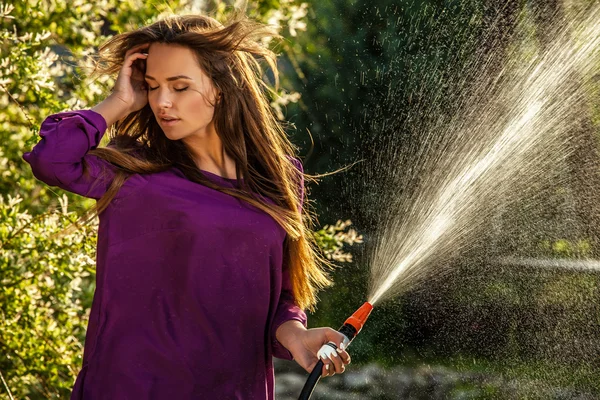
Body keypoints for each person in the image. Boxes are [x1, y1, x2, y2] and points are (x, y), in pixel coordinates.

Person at [23, 13, 350, 400]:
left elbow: (278, 293)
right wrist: (120, 100)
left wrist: (295, 335)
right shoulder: (133, 171)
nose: (162, 102)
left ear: (223, 87)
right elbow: (51, 159)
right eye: (153, 86)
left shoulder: (280, 177)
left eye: (179, 87)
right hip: (128, 389)